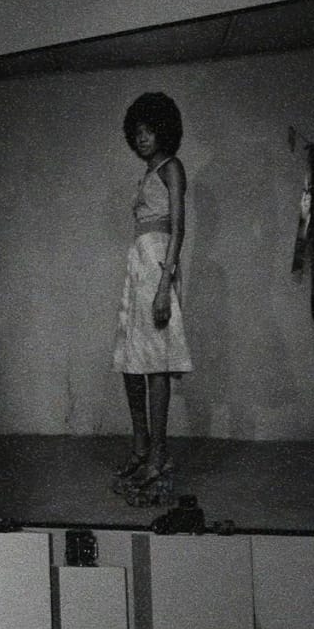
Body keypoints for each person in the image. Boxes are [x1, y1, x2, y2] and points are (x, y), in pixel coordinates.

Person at [112, 91, 191, 494]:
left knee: (156, 363)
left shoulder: (171, 168)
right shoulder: (146, 173)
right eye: (138, 132)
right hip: (138, 266)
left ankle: (159, 457)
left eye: (150, 130)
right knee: (131, 361)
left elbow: (178, 228)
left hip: (159, 266)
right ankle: (140, 447)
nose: (144, 138)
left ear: (165, 130)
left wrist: (164, 288)